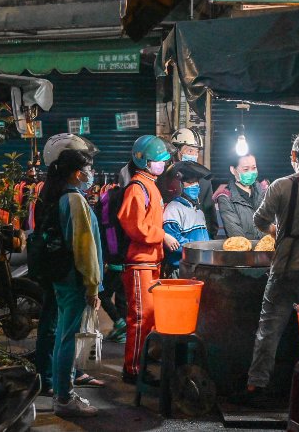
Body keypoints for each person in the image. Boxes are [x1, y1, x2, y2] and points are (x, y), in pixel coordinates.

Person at [232, 133, 299, 405]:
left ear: (293, 156)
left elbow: (259, 219)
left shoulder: (279, 187)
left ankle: (257, 386)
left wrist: (277, 231)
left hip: (283, 269)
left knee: (268, 331)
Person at [34, 134, 106, 402]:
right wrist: (92, 285)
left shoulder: (54, 195)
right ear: (77, 173)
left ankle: (62, 390)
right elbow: (84, 248)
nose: (92, 174)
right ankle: (65, 397)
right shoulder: (74, 200)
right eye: (88, 169)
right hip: (75, 280)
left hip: (61, 277)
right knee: (68, 338)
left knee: (63, 334)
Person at [118, 135, 173, 383]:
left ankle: (140, 364)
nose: (162, 164)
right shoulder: (137, 188)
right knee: (140, 317)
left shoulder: (150, 185)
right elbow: (136, 227)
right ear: (144, 161)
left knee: (149, 317)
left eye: (163, 160)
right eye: (157, 160)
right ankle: (132, 370)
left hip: (151, 262)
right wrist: (162, 235)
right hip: (139, 262)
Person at [160, 161, 212, 277]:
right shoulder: (173, 209)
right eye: (190, 182)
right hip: (181, 270)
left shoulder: (198, 211)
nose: (196, 185)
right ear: (178, 184)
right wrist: (200, 248)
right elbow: (174, 243)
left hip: (199, 269)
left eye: (197, 182)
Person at [171, 128, 219, 239]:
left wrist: (209, 239)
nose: (194, 155)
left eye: (196, 152)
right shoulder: (166, 178)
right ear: (176, 151)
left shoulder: (205, 179)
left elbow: (210, 215)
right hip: (172, 242)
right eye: (190, 151)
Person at [214, 153, 265, 240]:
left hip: (268, 252)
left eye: (254, 168)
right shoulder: (225, 197)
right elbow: (235, 234)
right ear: (233, 170)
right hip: (244, 252)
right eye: (246, 169)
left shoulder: (265, 193)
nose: (251, 172)